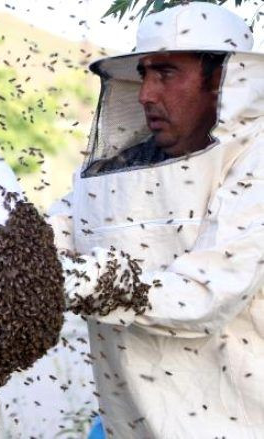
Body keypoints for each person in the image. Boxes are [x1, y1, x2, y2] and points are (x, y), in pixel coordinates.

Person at [49, 3, 264, 438]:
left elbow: (205, 293)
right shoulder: (123, 165)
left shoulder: (256, 163)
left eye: (165, 73)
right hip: (125, 422)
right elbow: (56, 231)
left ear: (223, 79)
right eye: (144, 74)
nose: (146, 93)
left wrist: (79, 280)